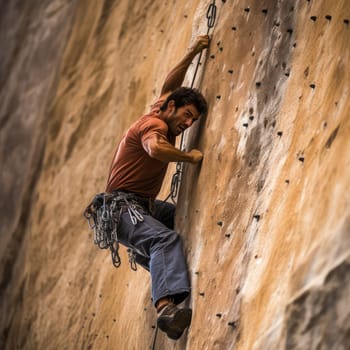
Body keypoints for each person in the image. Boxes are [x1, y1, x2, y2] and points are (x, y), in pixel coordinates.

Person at [105, 35, 209, 340]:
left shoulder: (160, 108)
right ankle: (166, 309)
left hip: (139, 206)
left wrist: (192, 52)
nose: (188, 124)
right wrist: (188, 157)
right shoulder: (156, 126)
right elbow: (154, 150)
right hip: (121, 208)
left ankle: (151, 261)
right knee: (164, 240)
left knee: (179, 217)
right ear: (172, 109)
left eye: (194, 120)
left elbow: (170, 85)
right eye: (187, 116)